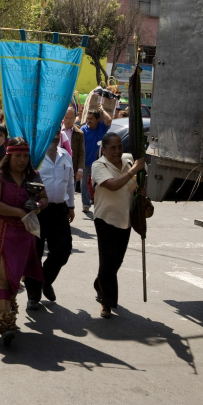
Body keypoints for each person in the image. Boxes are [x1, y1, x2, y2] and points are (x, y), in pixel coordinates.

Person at [0, 137, 48, 345]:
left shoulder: (34, 175)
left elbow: (45, 198)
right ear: (9, 155)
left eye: (25, 156)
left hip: (24, 236)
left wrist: (37, 205)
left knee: (13, 278)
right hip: (2, 233)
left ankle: (8, 313)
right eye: (17, 156)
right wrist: (20, 212)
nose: (21, 160)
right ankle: (5, 325)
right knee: (2, 278)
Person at [91, 132, 146, 318]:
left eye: (119, 147)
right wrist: (133, 172)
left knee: (116, 261)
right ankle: (107, 303)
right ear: (104, 150)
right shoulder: (99, 165)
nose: (117, 151)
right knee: (107, 261)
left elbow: (136, 187)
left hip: (125, 220)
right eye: (112, 148)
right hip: (105, 219)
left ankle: (99, 284)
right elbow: (112, 185)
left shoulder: (129, 162)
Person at [25, 130, 75, 310]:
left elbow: (69, 183)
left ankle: (45, 280)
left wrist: (71, 206)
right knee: (35, 254)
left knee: (63, 250)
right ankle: (33, 295)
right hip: (39, 211)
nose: (54, 137)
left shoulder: (66, 156)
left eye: (56, 134)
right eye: (50, 134)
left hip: (59, 209)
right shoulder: (35, 157)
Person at [80, 105, 112, 212]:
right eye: (87, 118)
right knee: (83, 184)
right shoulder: (83, 130)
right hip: (85, 162)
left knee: (99, 185)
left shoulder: (101, 128)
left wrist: (102, 109)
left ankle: (99, 204)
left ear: (97, 119)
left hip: (98, 162)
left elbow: (109, 119)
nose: (88, 121)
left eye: (91, 119)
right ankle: (85, 204)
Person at [62, 106, 85, 182]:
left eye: (71, 118)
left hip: (72, 169)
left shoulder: (79, 133)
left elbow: (81, 153)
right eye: (66, 117)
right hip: (58, 168)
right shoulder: (56, 131)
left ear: (75, 118)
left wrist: (80, 169)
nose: (68, 120)